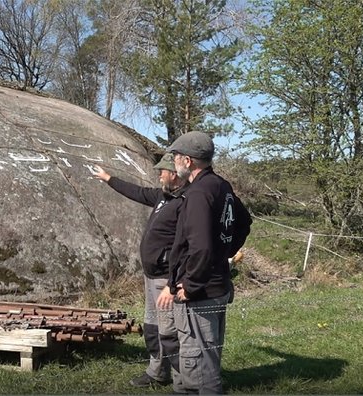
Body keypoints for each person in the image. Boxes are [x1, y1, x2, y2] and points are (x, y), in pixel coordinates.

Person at [156, 131, 251, 394]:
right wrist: (225, 251)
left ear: (187, 161)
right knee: (208, 356)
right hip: (217, 283)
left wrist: (191, 283)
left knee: (197, 363)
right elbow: (244, 223)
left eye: (175, 157)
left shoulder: (198, 192)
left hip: (201, 291)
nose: (173, 162)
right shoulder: (221, 185)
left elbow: (199, 245)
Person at [92, 153, 188, 388]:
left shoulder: (185, 202)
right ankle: (157, 372)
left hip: (166, 278)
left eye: (161, 172)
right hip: (151, 276)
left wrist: (172, 283)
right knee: (153, 327)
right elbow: (136, 192)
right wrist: (108, 178)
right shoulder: (162, 196)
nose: (158, 176)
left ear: (173, 174)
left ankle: (183, 383)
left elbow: (187, 245)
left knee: (169, 331)